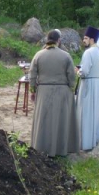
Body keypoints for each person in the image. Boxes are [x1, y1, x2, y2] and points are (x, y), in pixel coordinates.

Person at [29, 29, 79, 157]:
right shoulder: (66, 55)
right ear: (59, 40)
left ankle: (41, 147)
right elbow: (71, 76)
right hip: (62, 91)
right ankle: (60, 149)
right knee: (60, 120)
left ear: (47, 40)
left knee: (44, 120)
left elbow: (32, 75)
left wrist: (33, 90)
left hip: (44, 91)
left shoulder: (38, 55)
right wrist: (71, 88)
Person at [76, 26, 99, 151]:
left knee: (86, 113)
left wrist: (77, 71)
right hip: (98, 84)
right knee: (95, 113)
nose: (84, 40)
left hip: (88, 84)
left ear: (92, 39)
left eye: (86, 38)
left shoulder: (88, 52)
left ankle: (86, 142)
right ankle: (95, 139)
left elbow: (84, 71)